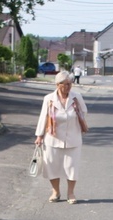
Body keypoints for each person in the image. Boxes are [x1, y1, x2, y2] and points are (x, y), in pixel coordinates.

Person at [35, 71, 88, 204]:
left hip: (73, 138)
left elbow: (84, 112)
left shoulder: (77, 97)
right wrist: (39, 136)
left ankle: (71, 193)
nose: (67, 87)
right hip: (53, 138)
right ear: (57, 85)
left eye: (70, 84)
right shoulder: (49, 99)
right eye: (64, 84)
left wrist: (74, 120)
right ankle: (55, 192)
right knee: (52, 166)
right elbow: (44, 117)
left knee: (72, 167)